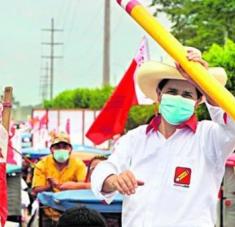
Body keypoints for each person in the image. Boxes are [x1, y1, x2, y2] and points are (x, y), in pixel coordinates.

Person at [91, 48, 235, 227]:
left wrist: (207, 84)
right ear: (159, 95)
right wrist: (113, 181)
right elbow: (101, 172)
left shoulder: (210, 137)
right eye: (172, 91)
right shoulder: (135, 138)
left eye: (187, 94)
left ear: (198, 101)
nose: (178, 98)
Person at [32, 132, 90, 226]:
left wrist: (67, 186)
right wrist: (49, 186)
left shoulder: (78, 164)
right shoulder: (42, 164)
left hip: (73, 214)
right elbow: (35, 189)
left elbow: (84, 186)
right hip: (49, 213)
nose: (61, 150)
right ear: (51, 149)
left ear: (70, 149)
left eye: (65, 147)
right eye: (57, 147)